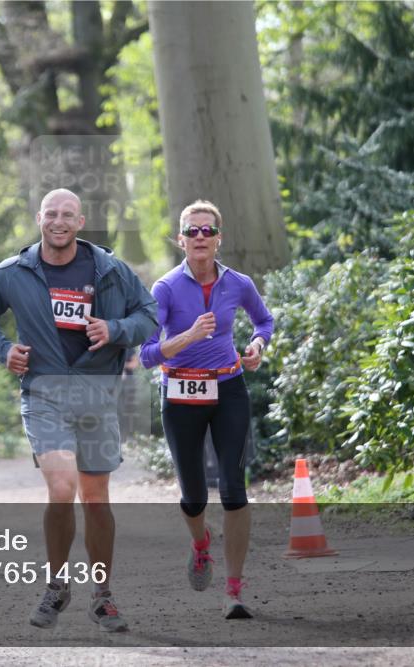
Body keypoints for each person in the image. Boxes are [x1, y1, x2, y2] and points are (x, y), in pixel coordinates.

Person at [0, 188, 158, 632]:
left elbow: (149, 315)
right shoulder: (14, 272)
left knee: (95, 500)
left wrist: (114, 329)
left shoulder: (110, 269)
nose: (58, 220)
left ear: (79, 220)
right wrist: (4, 349)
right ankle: (56, 585)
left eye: (67, 214)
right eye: (51, 213)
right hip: (44, 392)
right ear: (39, 218)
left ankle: (102, 595)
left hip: (96, 394)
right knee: (61, 487)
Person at [140, 200, 273, 619]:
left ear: (219, 238)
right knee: (193, 496)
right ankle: (201, 545)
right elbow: (145, 353)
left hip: (229, 387)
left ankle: (234, 590)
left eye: (207, 231)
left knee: (234, 487)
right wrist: (187, 336)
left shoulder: (239, 284)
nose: (199, 237)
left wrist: (256, 347)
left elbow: (264, 322)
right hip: (179, 392)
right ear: (180, 240)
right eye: (191, 231)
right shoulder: (164, 289)